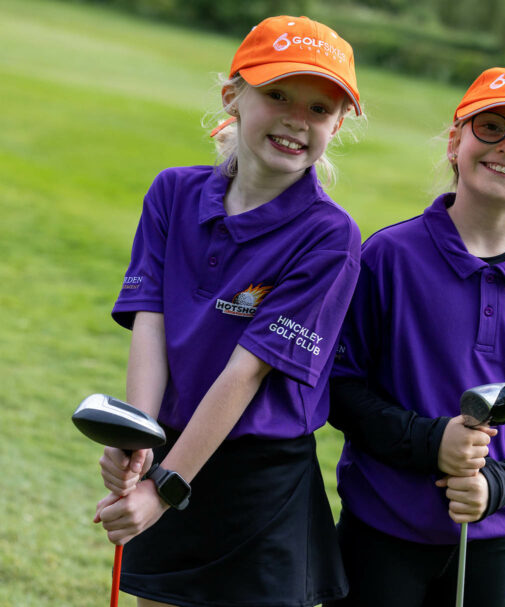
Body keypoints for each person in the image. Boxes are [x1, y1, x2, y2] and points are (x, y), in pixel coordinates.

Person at [93, 15, 363, 607]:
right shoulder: (172, 192)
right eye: (277, 95)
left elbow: (247, 371)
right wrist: (138, 440)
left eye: (320, 108)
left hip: (257, 482)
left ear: (338, 124)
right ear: (232, 97)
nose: (297, 118)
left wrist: (164, 488)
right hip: (170, 447)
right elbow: (151, 322)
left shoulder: (329, 234)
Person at [327, 67, 505, 607]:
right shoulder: (389, 257)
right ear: (456, 142)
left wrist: (498, 485)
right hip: (382, 527)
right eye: (491, 127)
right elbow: (339, 388)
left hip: (492, 537)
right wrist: (434, 442)